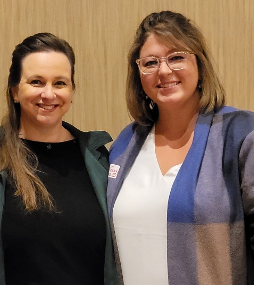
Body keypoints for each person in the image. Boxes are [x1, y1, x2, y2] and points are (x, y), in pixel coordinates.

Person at [106, 10, 254, 285]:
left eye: (176, 57)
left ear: (199, 64)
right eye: (150, 62)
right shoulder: (125, 144)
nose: (163, 70)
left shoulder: (241, 135)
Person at [0, 32, 120, 285]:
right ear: (15, 91)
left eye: (60, 83)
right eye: (36, 82)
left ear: (72, 90)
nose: (48, 94)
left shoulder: (99, 158)